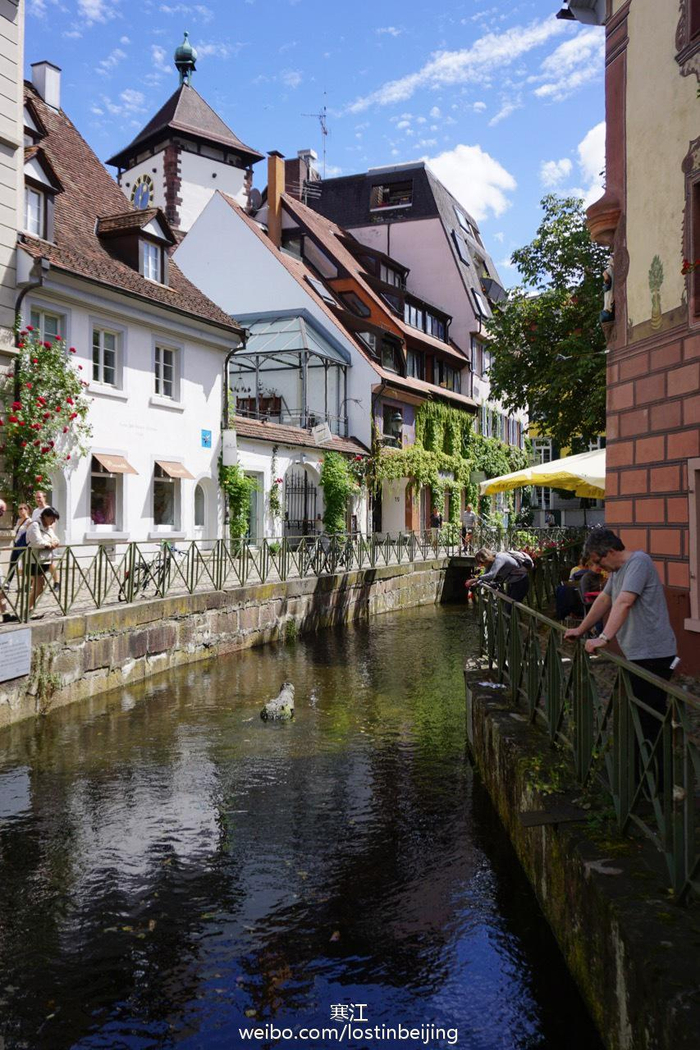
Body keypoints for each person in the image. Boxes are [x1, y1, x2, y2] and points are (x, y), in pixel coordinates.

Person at [563, 530, 677, 774]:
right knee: (639, 716)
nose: (597, 567)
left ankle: (653, 780)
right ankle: (641, 776)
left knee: (648, 720)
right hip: (638, 654)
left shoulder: (639, 562)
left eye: (598, 560)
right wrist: (581, 630)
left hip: (654, 655)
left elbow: (624, 602)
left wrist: (603, 638)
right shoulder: (617, 571)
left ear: (611, 551)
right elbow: (604, 601)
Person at [25, 506, 61, 611]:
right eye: (52, 518)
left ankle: (28, 610)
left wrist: (54, 542)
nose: (53, 521)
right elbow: (37, 541)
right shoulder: (35, 525)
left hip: (43, 561)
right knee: (38, 588)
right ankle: (27, 610)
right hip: (33, 560)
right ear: (45, 516)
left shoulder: (47, 528)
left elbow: (56, 539)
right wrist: (49, 544)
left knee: (39, 588)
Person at [465, 547, 530, 604]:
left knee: (511, 607)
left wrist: (473, 580)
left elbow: (492, 575)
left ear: (486, 559)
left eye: (481, 563)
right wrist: (476, 583)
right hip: (512, 583)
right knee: (508, 606)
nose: (480, 565)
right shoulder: (489, 563)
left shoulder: (499, 559)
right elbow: (486, 576)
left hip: (521, 582)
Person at [5, 503, 31, 588]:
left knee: (25, 565)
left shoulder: (29, 521)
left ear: (28, 510)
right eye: (20, 508)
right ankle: (8, 582)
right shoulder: (19, 520)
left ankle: (29, 583)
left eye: (24, 508)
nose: (22, 510)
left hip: (24, 545)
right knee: (12, 563)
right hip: (16, 544)